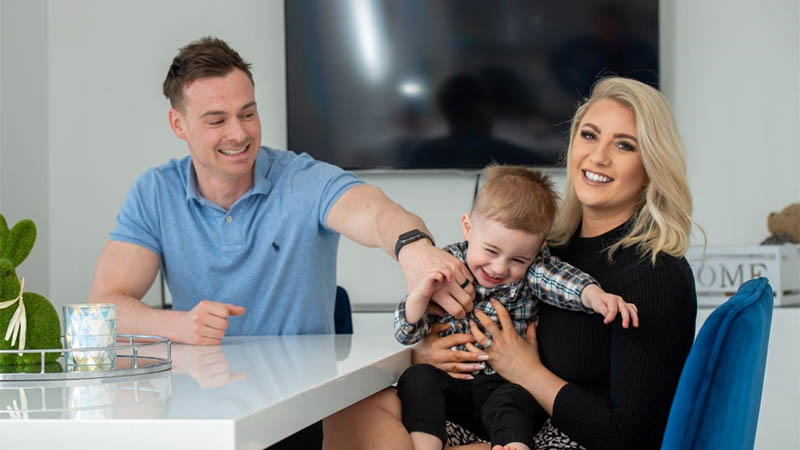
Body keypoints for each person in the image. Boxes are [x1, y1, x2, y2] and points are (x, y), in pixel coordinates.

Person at [323, 76, 699, 450]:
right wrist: (427, 353)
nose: (598, 156)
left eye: (624, 145)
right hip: (501, 413)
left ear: (651, 163)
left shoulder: (655, 273)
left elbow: (633, 437)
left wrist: (526, 371)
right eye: (589, 135)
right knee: (353, 413)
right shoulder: (544, 250)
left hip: (569, 436)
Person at [87, 36, 473, 345]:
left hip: (300, 400)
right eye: (216, 120)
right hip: (202, 392)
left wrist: (414, 248)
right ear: (178, 124)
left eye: (248, 113)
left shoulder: (301, 179)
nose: (238, 133)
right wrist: (179, 326)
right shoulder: (156, 191)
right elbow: (105, 305)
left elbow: (376, 213)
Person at [394, 165, 638, 450]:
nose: (499, 268)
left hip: (503, 383)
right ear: (468, 227)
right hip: (454, 384)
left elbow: (559, 280)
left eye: (518, 260)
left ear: (537, 250)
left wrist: (594, 296)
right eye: (491, 251)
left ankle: (512, 445)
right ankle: (426, 445)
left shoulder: (534, 270)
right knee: (417, 379)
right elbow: (406, 334)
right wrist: (419, 297)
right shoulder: (446, 266)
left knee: (515, 400)